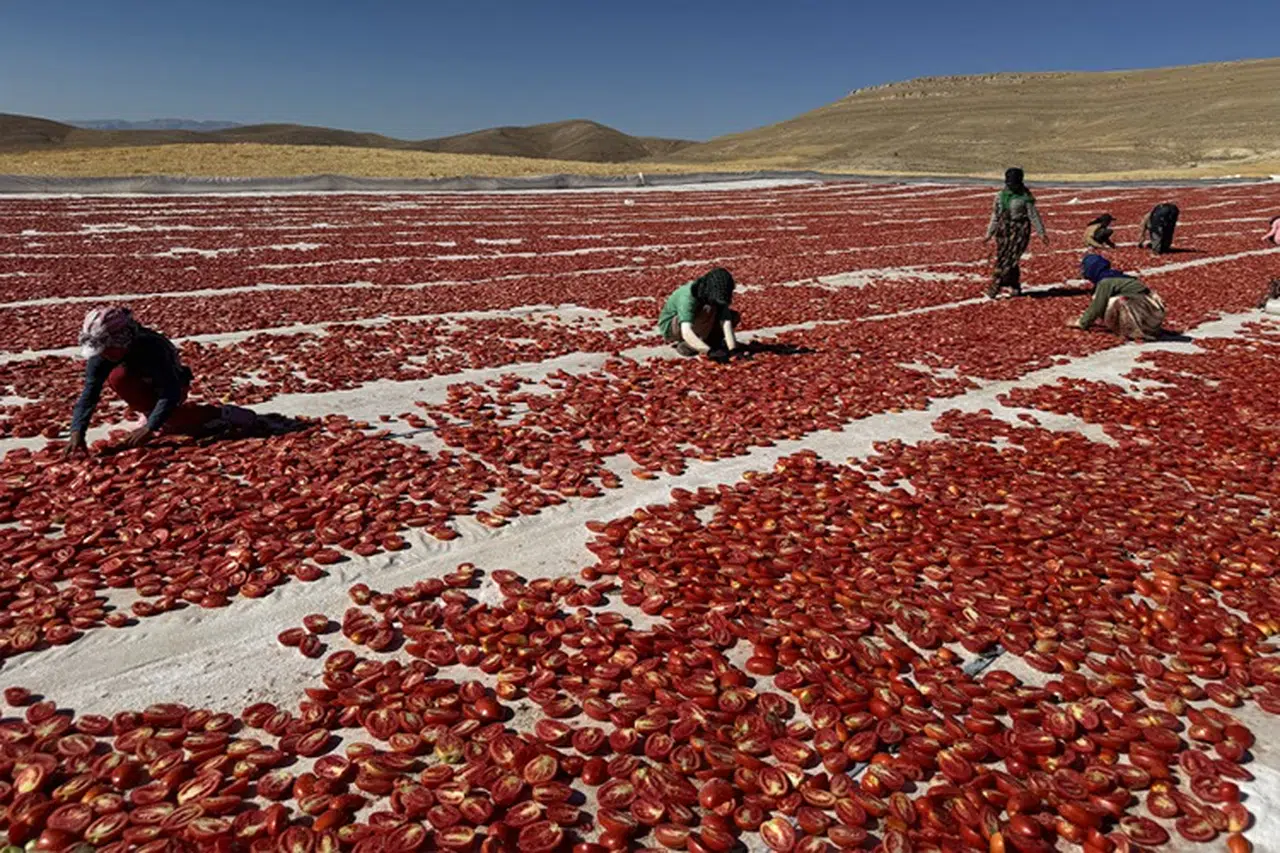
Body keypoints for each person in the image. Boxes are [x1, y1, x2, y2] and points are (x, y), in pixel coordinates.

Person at [65, 307, 257, 456]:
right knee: (117, 377)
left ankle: (222, 413)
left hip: (173, 384)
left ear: (122, 339)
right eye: (101, 350)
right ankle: (150, 412)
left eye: (108, 349)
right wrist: (77, 431)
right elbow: (89, 394)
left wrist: (150, 428)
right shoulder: (102, 354)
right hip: (141, 382)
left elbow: (170, 392)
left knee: (174, 422)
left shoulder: (152, 347)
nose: (104, 354)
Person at [983, 167, 1048, 298]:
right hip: (1004, 231)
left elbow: (1033, 216)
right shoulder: (1000, 197)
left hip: (1019, 231)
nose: (1011, 187)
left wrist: (1042, 233)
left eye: (1014, 184)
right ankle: (1015, 285)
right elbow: (995, 216)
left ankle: (996, 285)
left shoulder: (1025, 197)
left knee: (1009, 259)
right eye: (1009, 184)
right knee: (1006, 258)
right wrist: (989, 234)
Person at [1069, 254, 1166, 340]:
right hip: (1152, 311)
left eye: (1085, 268)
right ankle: (1145, 328)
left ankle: (1132, 330)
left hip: (1144, 309)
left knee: (1114, 301)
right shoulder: (1114, 276)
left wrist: (1082, 322)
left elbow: (1097, 306)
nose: (1083, 271)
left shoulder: (1105, 282)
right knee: (1111, 298)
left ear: (1092, 268)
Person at [658, 267, 740, 357]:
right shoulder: (688, 296)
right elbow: (686, 331)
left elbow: (726, 322)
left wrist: (733, 349)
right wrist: (709, 352)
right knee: (707, 309)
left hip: (696, 324)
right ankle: (689, 346)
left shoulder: (718, 294)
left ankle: (705, 342)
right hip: (672, 327)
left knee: (733, 316)